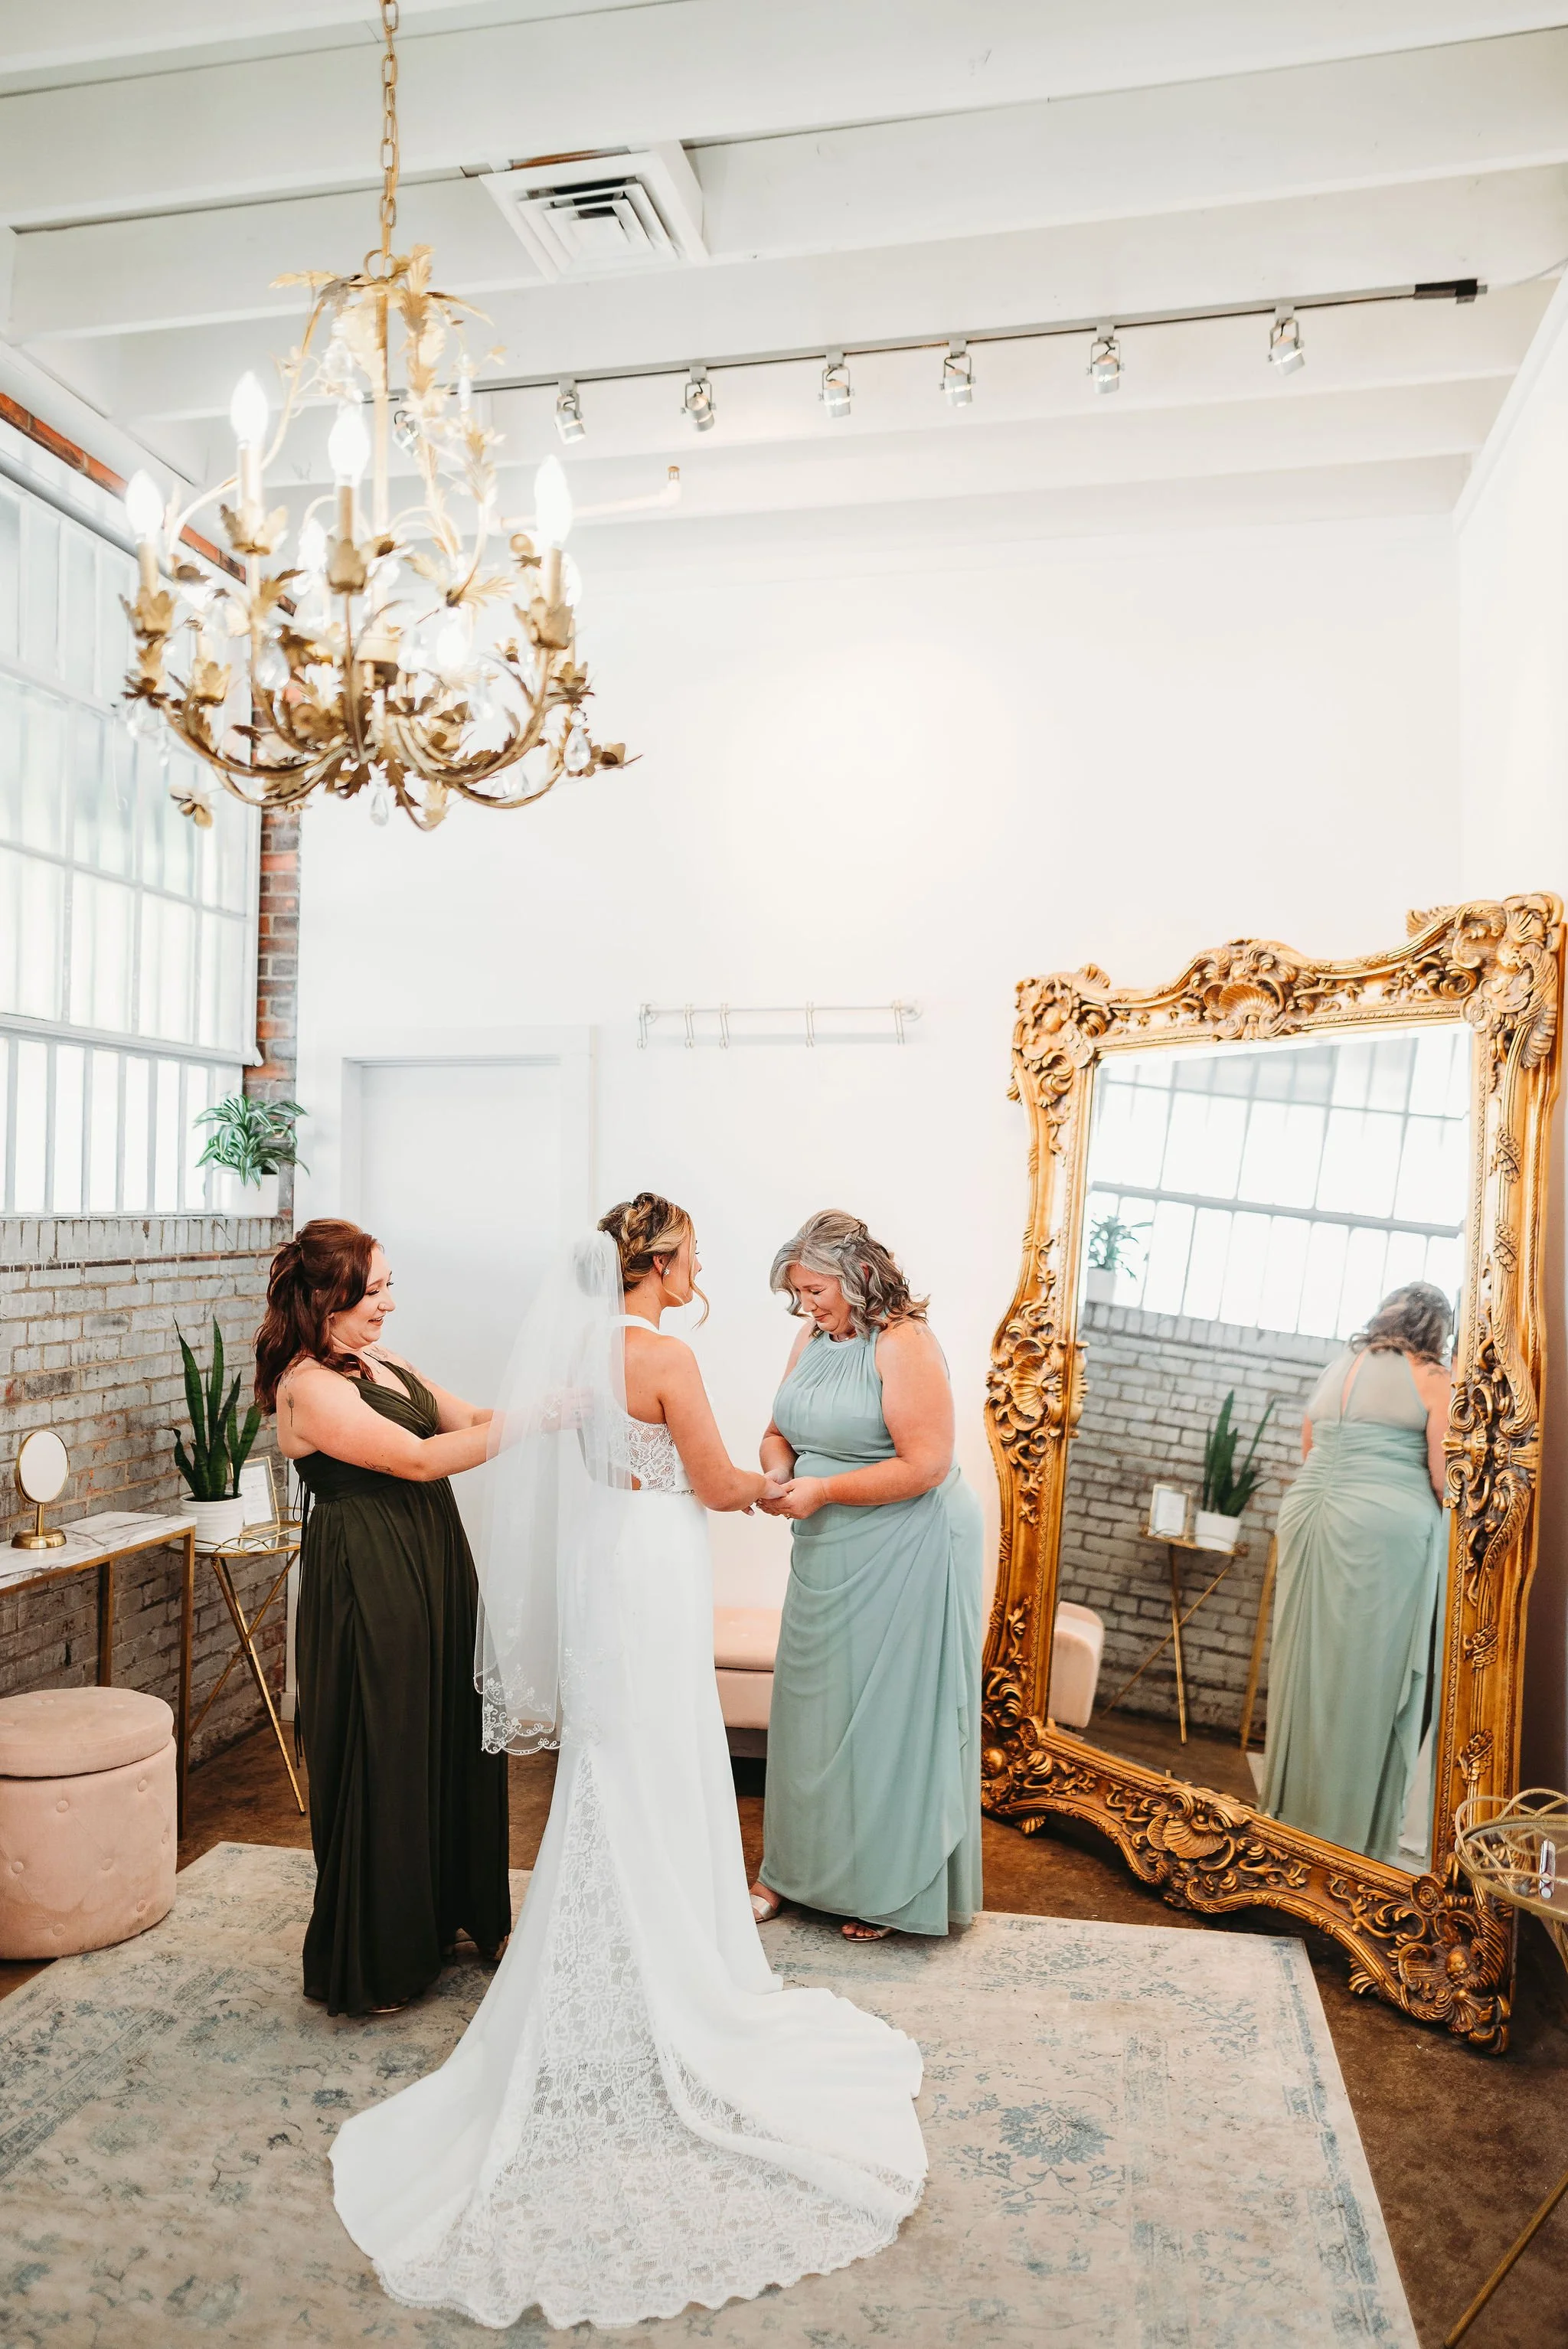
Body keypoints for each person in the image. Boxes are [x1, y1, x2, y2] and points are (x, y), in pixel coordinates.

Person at [328, 1194, 926, 2332]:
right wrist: (784, 1486)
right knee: (660, 1752)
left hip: (610, 1556)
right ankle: (672, 1972)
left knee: (612, 1762)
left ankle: (614, 1933)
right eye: (691, 1247)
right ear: (657, 1261)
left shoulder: (583, 1348)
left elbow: (607, 1463)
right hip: (655, 1563)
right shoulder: (663, 1356)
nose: (703, 1261)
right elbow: (710, 1483)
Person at [258, 1219, 510, 2017]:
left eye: (389, 1285)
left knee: (447, 1721)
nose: (389, 1304)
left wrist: (554, 1403)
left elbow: (464, 1420)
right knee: (385, 1739)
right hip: (369, 1570)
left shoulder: (380, 1361)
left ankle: (453, 1910)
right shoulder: (307, 1385)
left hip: (431, 1555)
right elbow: (417, 1458)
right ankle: (379, 1951)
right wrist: (537, 1422)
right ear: (326, 1298)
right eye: (374, 1291)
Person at [750, 1210, 984, 1942]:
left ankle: (881, 1885)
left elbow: (925, 1466)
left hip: (907, 1542)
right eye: (798, 1293)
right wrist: (781, 1472)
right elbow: (777, 1429)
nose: (806, 1305)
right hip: (826, 1548)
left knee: (885, 1721)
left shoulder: (905, 1343)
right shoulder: (811, 1340)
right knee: (808, 1713)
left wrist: (822, 1492)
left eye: (816, 1289)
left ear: (856, 1278)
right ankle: (789, 1871)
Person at [1259, 1280, 1453, 1867]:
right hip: (1382, 1534)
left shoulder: (1340, 1364)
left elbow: (1310, 1445)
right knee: (1368, 1679)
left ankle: (1292, 1811)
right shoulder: (1433, 1379)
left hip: (1310, 1514)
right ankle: (1346, 1832)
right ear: (1436, 1328)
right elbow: (1447, 1477)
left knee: (1308, 1668)